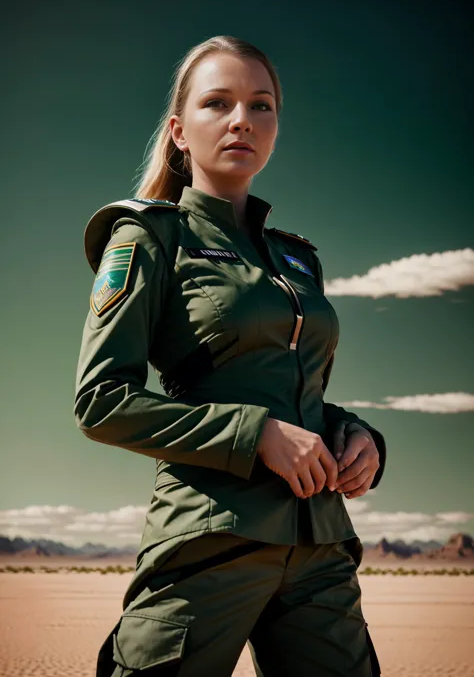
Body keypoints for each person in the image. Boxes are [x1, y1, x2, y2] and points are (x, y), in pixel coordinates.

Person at [74, 35, 385, 677]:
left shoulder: (298, 258)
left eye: (261, 105)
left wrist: (357, 435)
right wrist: (256, 434)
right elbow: (101, 403)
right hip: (210, 537)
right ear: (180, 131)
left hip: (319, 545)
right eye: (218, 103)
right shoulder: (150, 237)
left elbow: (293, 392)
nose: (243, 119)